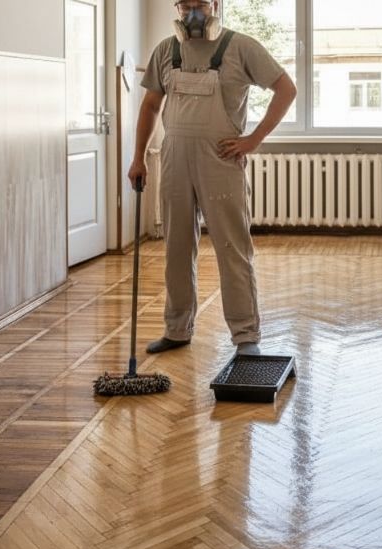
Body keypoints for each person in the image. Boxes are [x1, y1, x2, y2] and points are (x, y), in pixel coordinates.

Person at [128, 0, 296, 356]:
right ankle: (176, 329)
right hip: (174, 160)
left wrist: (254, 140)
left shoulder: (240, 46)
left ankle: (246, 336)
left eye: (200, 4)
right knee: (175, 246)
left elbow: (286, 89)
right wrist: (138, 157)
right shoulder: (166, 50)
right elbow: (150, 106)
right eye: (185, 5)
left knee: (232, 248)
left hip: (221, 160)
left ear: (215, 4)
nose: (192, 13)